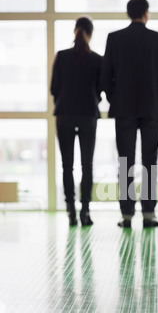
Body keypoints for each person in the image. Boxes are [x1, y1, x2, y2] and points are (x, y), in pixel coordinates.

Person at [103, 0, 158, 229]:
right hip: (152, 107)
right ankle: (149, 213)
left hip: (124, 108)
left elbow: (106, 75)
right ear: (146, 13)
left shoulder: (114, 39)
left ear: (128, 13)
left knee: (125, 161)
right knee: (150, 162)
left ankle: (126, 214)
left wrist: (114, 98)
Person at [51, 17, 103, 227]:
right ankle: (85, 212)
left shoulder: (62, 56)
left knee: (67, 166)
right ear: (90, 34)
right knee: (87, 165)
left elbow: (54, 88)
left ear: (75, 31)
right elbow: (101, 89)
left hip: (64, 114)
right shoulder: (97, 59)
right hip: (88, 114)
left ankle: (71, 212)